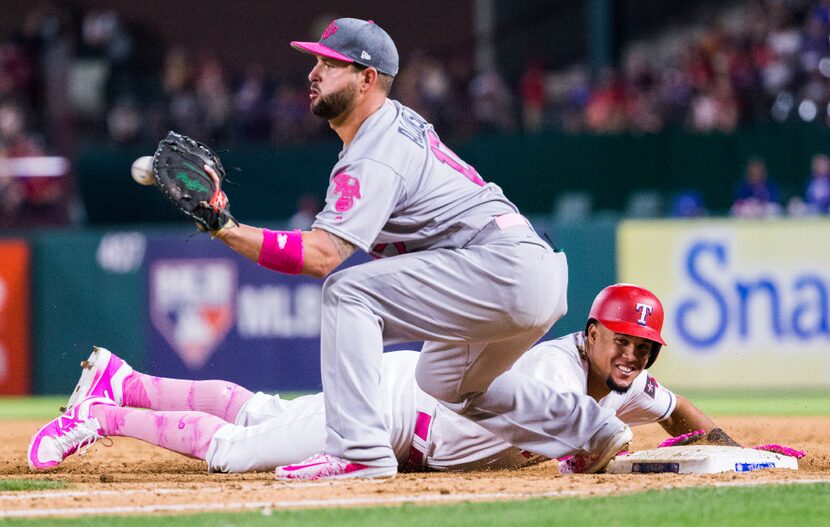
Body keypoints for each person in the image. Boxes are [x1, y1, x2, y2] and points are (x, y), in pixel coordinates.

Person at [144, 17, 630, 481]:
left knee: (346, 292)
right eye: (315, 61)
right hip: (526, 273)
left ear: (367, 78)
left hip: (501, 267)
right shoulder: (391, 128)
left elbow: (320, 257)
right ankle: (593, 429)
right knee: (448, 381)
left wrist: (226, 228)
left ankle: (360, 451)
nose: (312, 73)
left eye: (329, 64)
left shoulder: (375, 150)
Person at [28, 284, 741, 474]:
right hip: (395, 412)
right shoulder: (553, 373)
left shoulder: (621, 378)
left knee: (258, 412)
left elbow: (674, 408)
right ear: (590, 332)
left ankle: (126, 380)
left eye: (645, 350)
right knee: (233, 452)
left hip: (406, 410)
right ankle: (101, 413)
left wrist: (723, 441)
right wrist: (615, 441)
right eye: (624, 342)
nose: (634, 360)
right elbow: (595, 449)